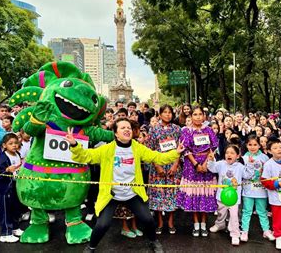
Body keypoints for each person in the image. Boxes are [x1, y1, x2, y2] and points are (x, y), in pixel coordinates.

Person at [66, 118, 184, 253]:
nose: (127, 130)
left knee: (148, 220)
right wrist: (74, 145)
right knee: (102, 225)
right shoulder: (106, 149)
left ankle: (154, 241)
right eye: (122, 128)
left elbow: (156, 157)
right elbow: (86, 156)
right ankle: (91, 247)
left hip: (133, 193)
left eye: (128, 127)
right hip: (112, 194)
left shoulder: (137, 148)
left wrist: (176, 153)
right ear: (115, 133)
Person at [177, 106, 218, 237]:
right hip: (191, 166)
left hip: (207, 165)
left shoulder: (209, 130)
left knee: (204, 194)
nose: (198, 117)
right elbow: (185, 149)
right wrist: (196, 165)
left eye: (201, 114)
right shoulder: (186, 131)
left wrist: (205, 163)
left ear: (204, 116)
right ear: (191, 116)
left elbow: (214, 146)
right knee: (195, 194)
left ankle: (204, 224)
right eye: (195, 114)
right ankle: (196, 224)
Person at [207, 145, 253, 246]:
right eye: (227, 152)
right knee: (221, 212)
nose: (229, 154)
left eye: (232, 153)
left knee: (234, 216)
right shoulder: (221, 164)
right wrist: (211, 160)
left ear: (238, 156)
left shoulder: (240, 167)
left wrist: (250, 164)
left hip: (234, 198)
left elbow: (248, 175)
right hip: (222, 195)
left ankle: (235, 234)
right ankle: (220, 224)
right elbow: (212, 168)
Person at [146, 105, 182, 235]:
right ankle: (160, 223)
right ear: (159, 114)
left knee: (172, 194)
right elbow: (149, 150)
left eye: (170, 112)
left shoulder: (177, 129)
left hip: (173, 167)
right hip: (158, 168)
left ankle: (171, 222)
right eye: (165, 112)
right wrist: (157, 166)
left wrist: (175, 165)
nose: (168, 115)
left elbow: (180, 149)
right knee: (158, 194)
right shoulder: (153, 130)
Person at [240, 135, 274, 242]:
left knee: (262, 211)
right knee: (247, 211)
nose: (252, 147)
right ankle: (244, 230)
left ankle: (266, 230)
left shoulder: (265, 158)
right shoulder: (243, 158)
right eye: (250, 145)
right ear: (246, 145)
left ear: (259, 145)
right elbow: (242, 174)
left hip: (261, 191)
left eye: (255, 144)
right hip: (248, 190)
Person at [0, 133, 23, 243]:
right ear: (4, 145)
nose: (14, 145)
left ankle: (15, 227)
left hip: (15, 186)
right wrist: (6, 170)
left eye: (16, 143)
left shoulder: (18, 154)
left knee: (15, 208)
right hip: (5, 189)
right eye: (10, 143)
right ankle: (6, 233)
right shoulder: (3, 157)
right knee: (6, 211)